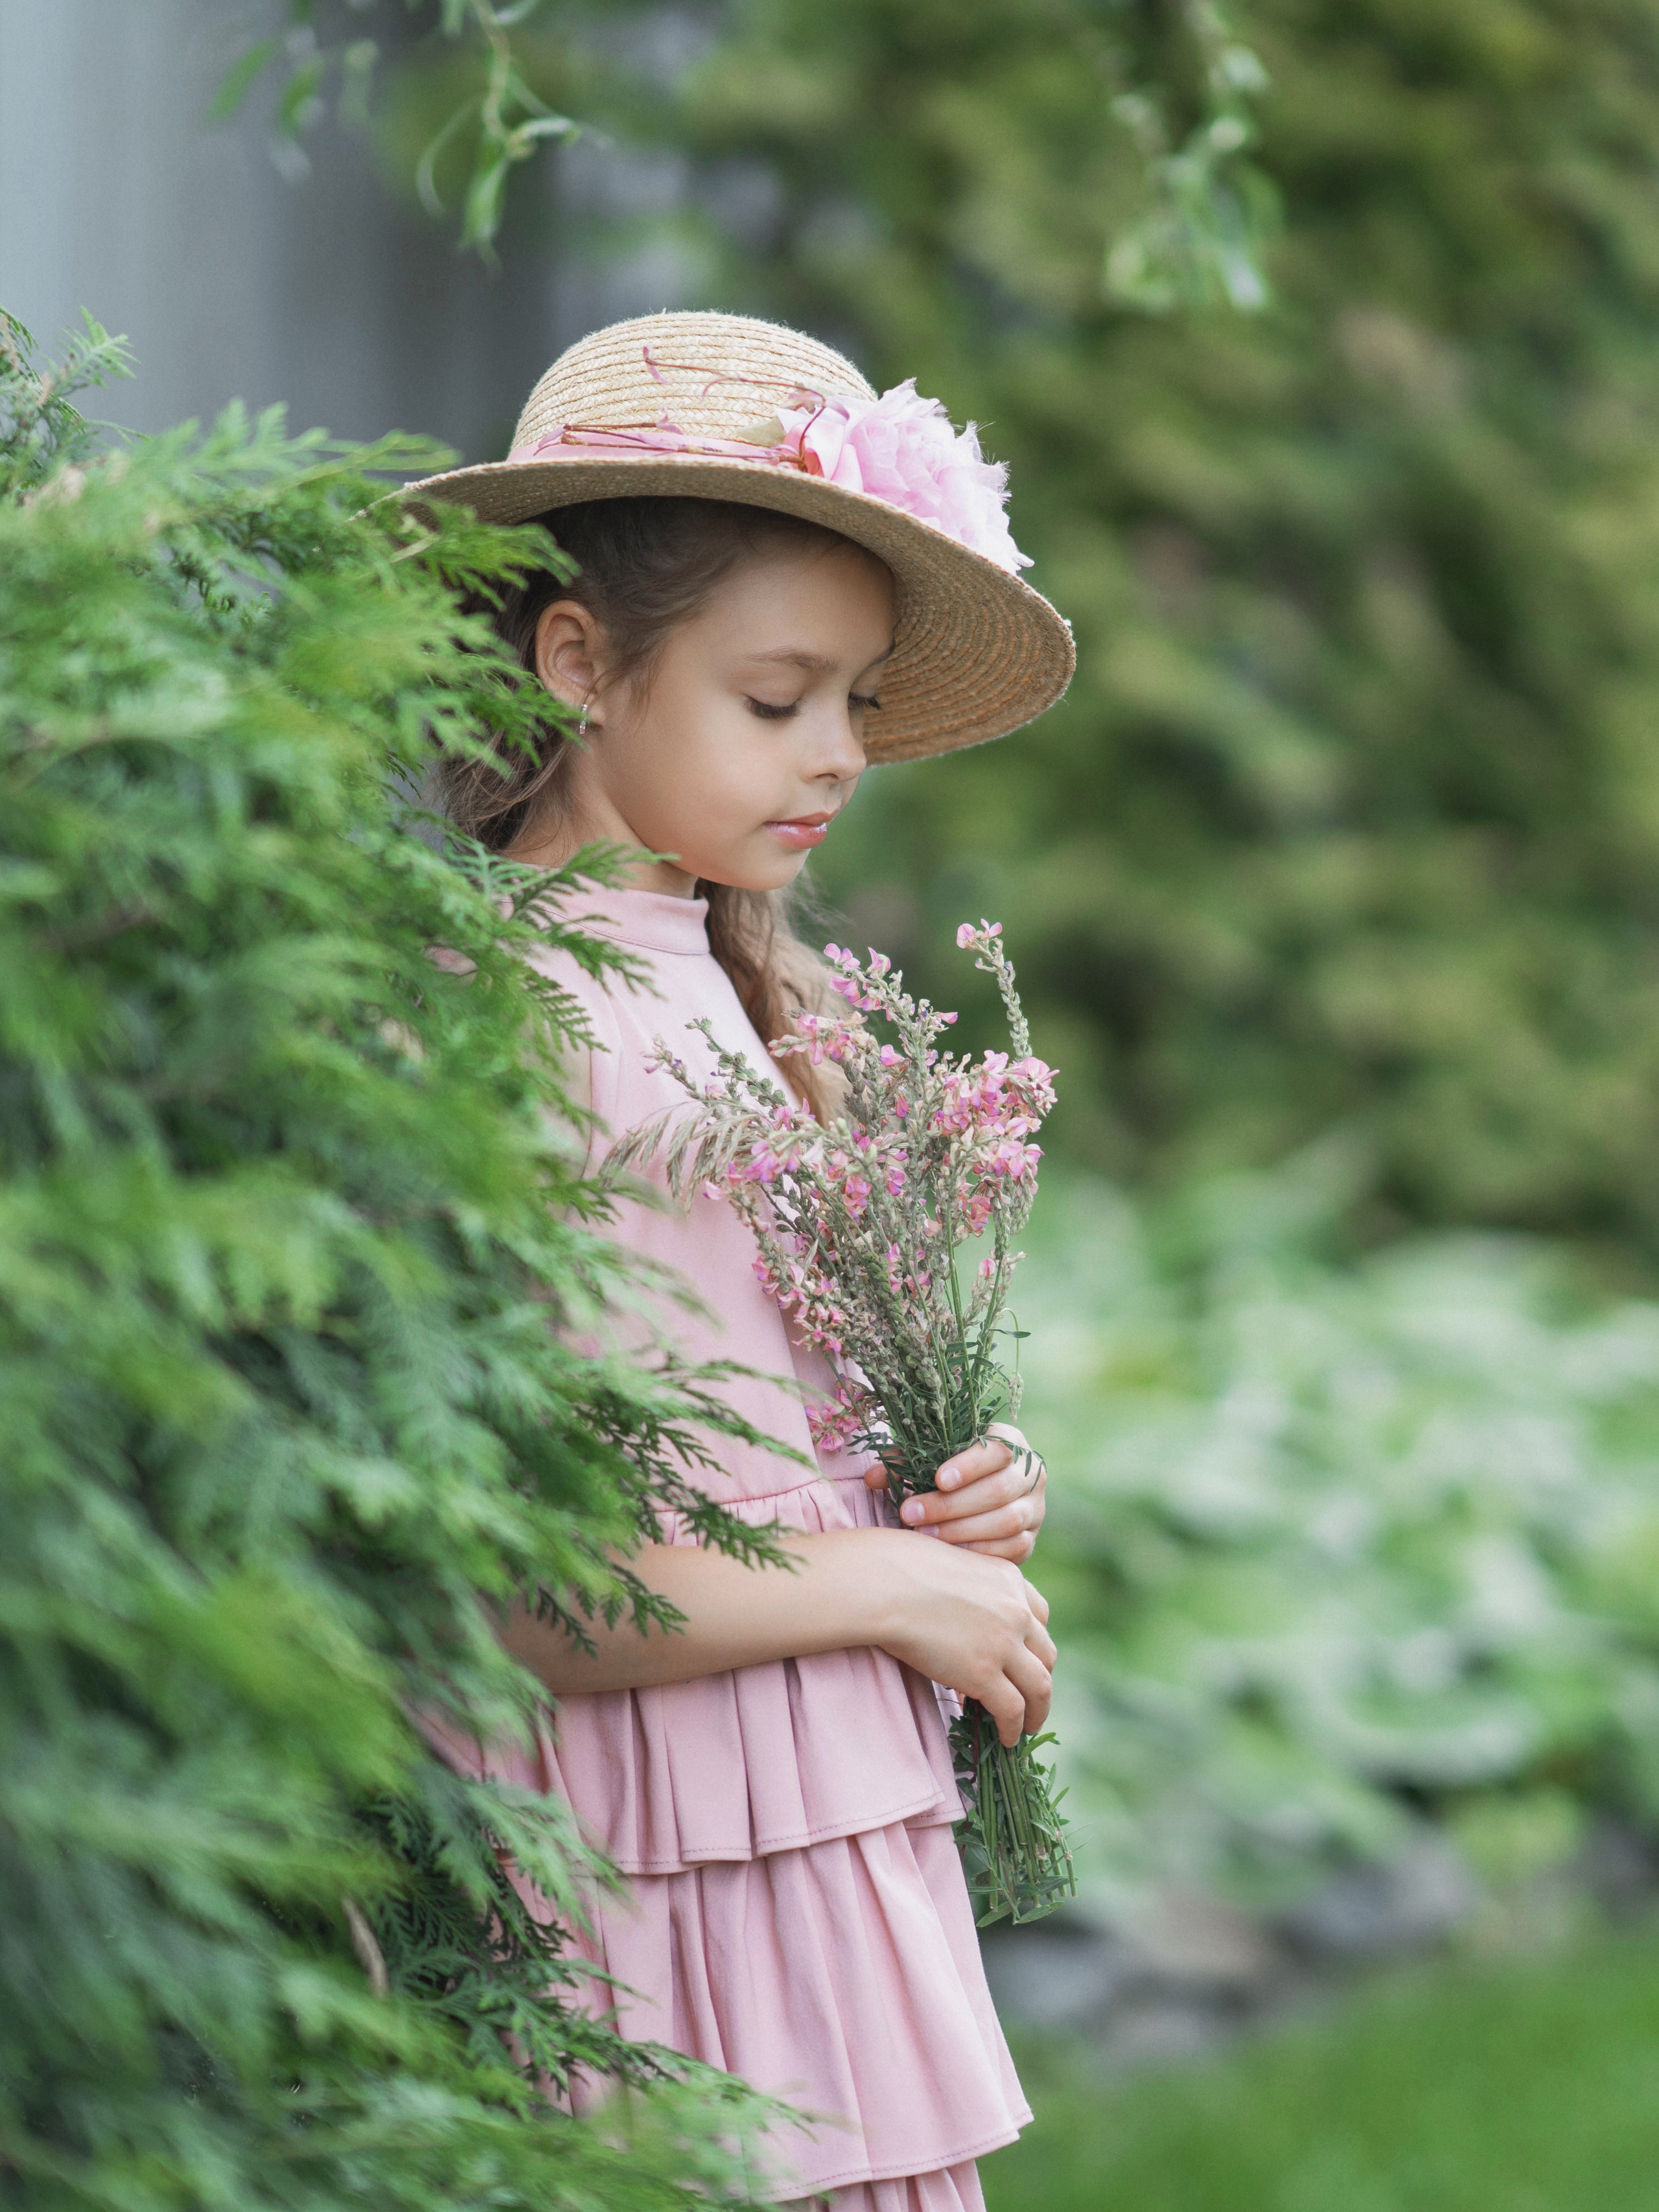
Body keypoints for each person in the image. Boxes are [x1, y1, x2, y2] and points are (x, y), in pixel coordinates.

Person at [412, 311, 1075, 2212]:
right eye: (778, 697)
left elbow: (773, 1439)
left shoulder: (757, 1004)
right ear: (577, 664)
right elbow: (498, 1583)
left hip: (808, 1842)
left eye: (856, 700)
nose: (839, 754)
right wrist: (878, 1584)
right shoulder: (489, 1021)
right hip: (629, 1875)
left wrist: (942, 1504)